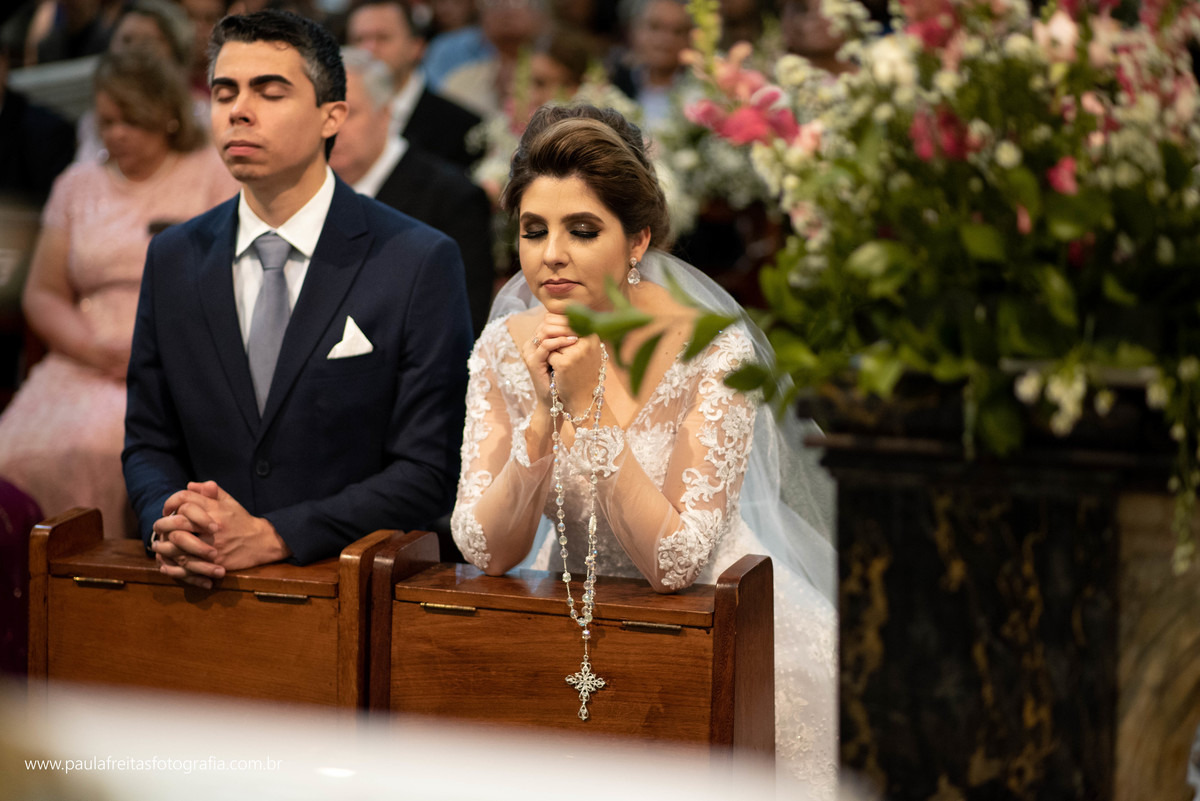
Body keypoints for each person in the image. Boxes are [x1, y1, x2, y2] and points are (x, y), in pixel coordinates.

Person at [450, 104, 837, 794]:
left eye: (583, 229)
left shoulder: (712, 346)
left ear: (638, 241)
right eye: (533, 230)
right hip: (565, 606)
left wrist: (594, 408)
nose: (551, 255)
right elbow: (487, 544)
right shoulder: (503, 347)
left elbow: (675, 561)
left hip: (716, 619)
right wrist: (543, 416)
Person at [123, 9, 472, 585]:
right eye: (224, 91)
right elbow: (148, 441)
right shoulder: (174, 257)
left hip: (349, 584)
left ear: (331, 115)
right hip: (194, 583)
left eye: (270, 91)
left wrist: (277, 534)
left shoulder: (416, 260)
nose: (239, 110)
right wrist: (172, 520)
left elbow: (429, 468)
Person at [0, 48, 236, 540]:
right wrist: (90, 349)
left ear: (168, 117)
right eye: (107, 121)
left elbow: (230, 283)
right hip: (85, 352)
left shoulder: (211, 173)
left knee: (107, 448)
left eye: (132, 120)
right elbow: (43, 293)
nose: (117, 134)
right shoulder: (76, 185)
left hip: (175, 353)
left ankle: (101, 584)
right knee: (15, 449)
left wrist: (148, 353)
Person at [329, 48, 493, 337]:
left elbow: (463, 321)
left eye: (349, 113)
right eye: (326, 114)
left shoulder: (452, 196)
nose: (333, 129)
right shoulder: (306, 189)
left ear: (386, 114)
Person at [346, 0, 481, 170]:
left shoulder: (462, 128)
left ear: (416, 47)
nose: (368, 49)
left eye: (382, 38)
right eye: (359, 39)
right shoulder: (335, 117)